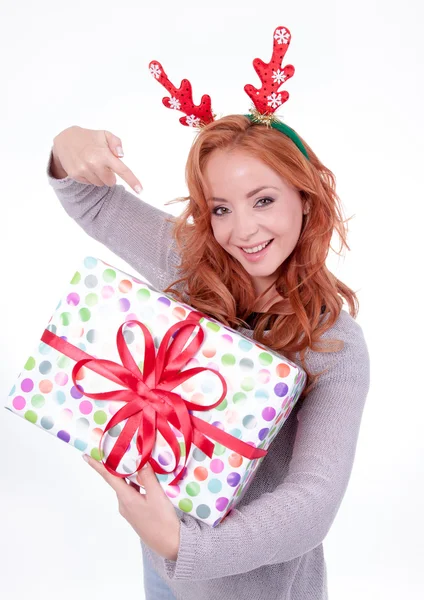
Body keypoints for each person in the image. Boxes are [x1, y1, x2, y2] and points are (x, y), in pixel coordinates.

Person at [45, 27, 370, 600]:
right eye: (220, 208)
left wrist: (185, 545)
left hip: (256, 588)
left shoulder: (333, 344)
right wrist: (68, 142)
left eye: (264, 199)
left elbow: (312, 504)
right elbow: (87, 196)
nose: (242, 230)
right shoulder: (195, 262)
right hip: (164, 568)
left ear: (306, 195)